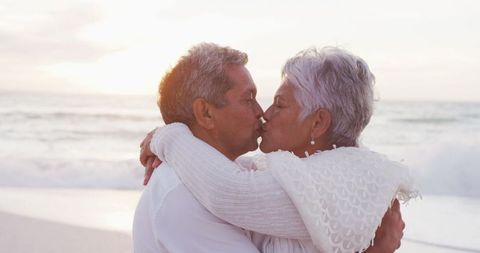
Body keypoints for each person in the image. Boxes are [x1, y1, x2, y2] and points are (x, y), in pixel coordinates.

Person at [134, 43, 410, 253]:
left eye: (279, 104)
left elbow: (230, 189)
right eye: (249, 98)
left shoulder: (334, 183)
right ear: (205, 113)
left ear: (317, 123)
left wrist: (170, 137)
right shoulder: (184, 194)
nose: (263, 112)